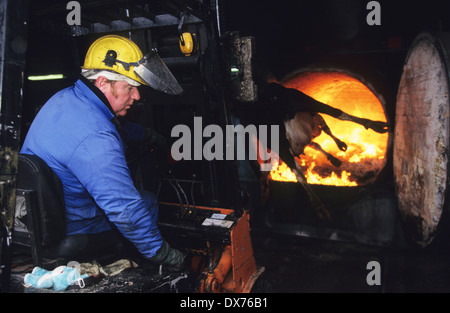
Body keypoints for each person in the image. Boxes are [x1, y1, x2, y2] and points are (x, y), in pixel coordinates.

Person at [20, 35, 185, 271]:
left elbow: (116, 127)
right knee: (145, 202)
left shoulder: (65, 98)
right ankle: (137, 263)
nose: (137, 96)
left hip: (38, 218)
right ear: (102, 82)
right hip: (73, 226)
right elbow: (125, 209)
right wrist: (167, 255)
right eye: (130, 87)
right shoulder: (96, 136)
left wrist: (150, 136)